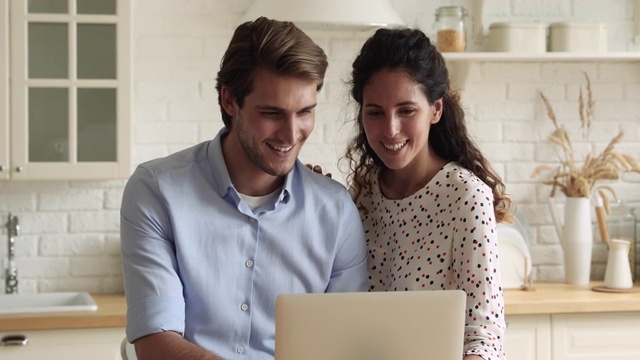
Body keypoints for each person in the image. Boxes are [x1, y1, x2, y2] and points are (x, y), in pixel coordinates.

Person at [120, 17, 368, 360]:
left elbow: (346, 343)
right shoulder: (157, 192)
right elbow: (155, 340)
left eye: (305, 112)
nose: (291, 134)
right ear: (229, 102)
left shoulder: (336, 211)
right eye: (272, 113)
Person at [343, 27, 512, 360]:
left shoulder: (465, 196)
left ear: (435, 110)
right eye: (375, 112)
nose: (390, 129)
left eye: (406, 111)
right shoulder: (363, 194)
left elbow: (484, 332)